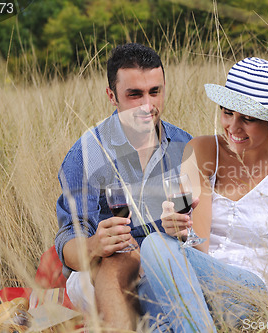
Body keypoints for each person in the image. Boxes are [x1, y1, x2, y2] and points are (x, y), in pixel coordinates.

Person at [139, 57, 268, 331]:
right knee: (159, 248)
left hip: (246, 292)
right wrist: (178, 226)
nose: (233, 128)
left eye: (248, 119)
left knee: (154, 247)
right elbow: (197, 243)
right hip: (193, 277)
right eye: (227, 113)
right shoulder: (201, 150)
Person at [54, 43, 192, 329]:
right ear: (111, 96)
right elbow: (68, 242)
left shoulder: (184, 145)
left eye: (155, 91)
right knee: (121, 258)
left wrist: (185, 230)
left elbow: (198, 225)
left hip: (166, 263)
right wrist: (94, 245)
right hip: (99, 273)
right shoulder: (86, 154)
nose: (147, 105)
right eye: (134, 94)